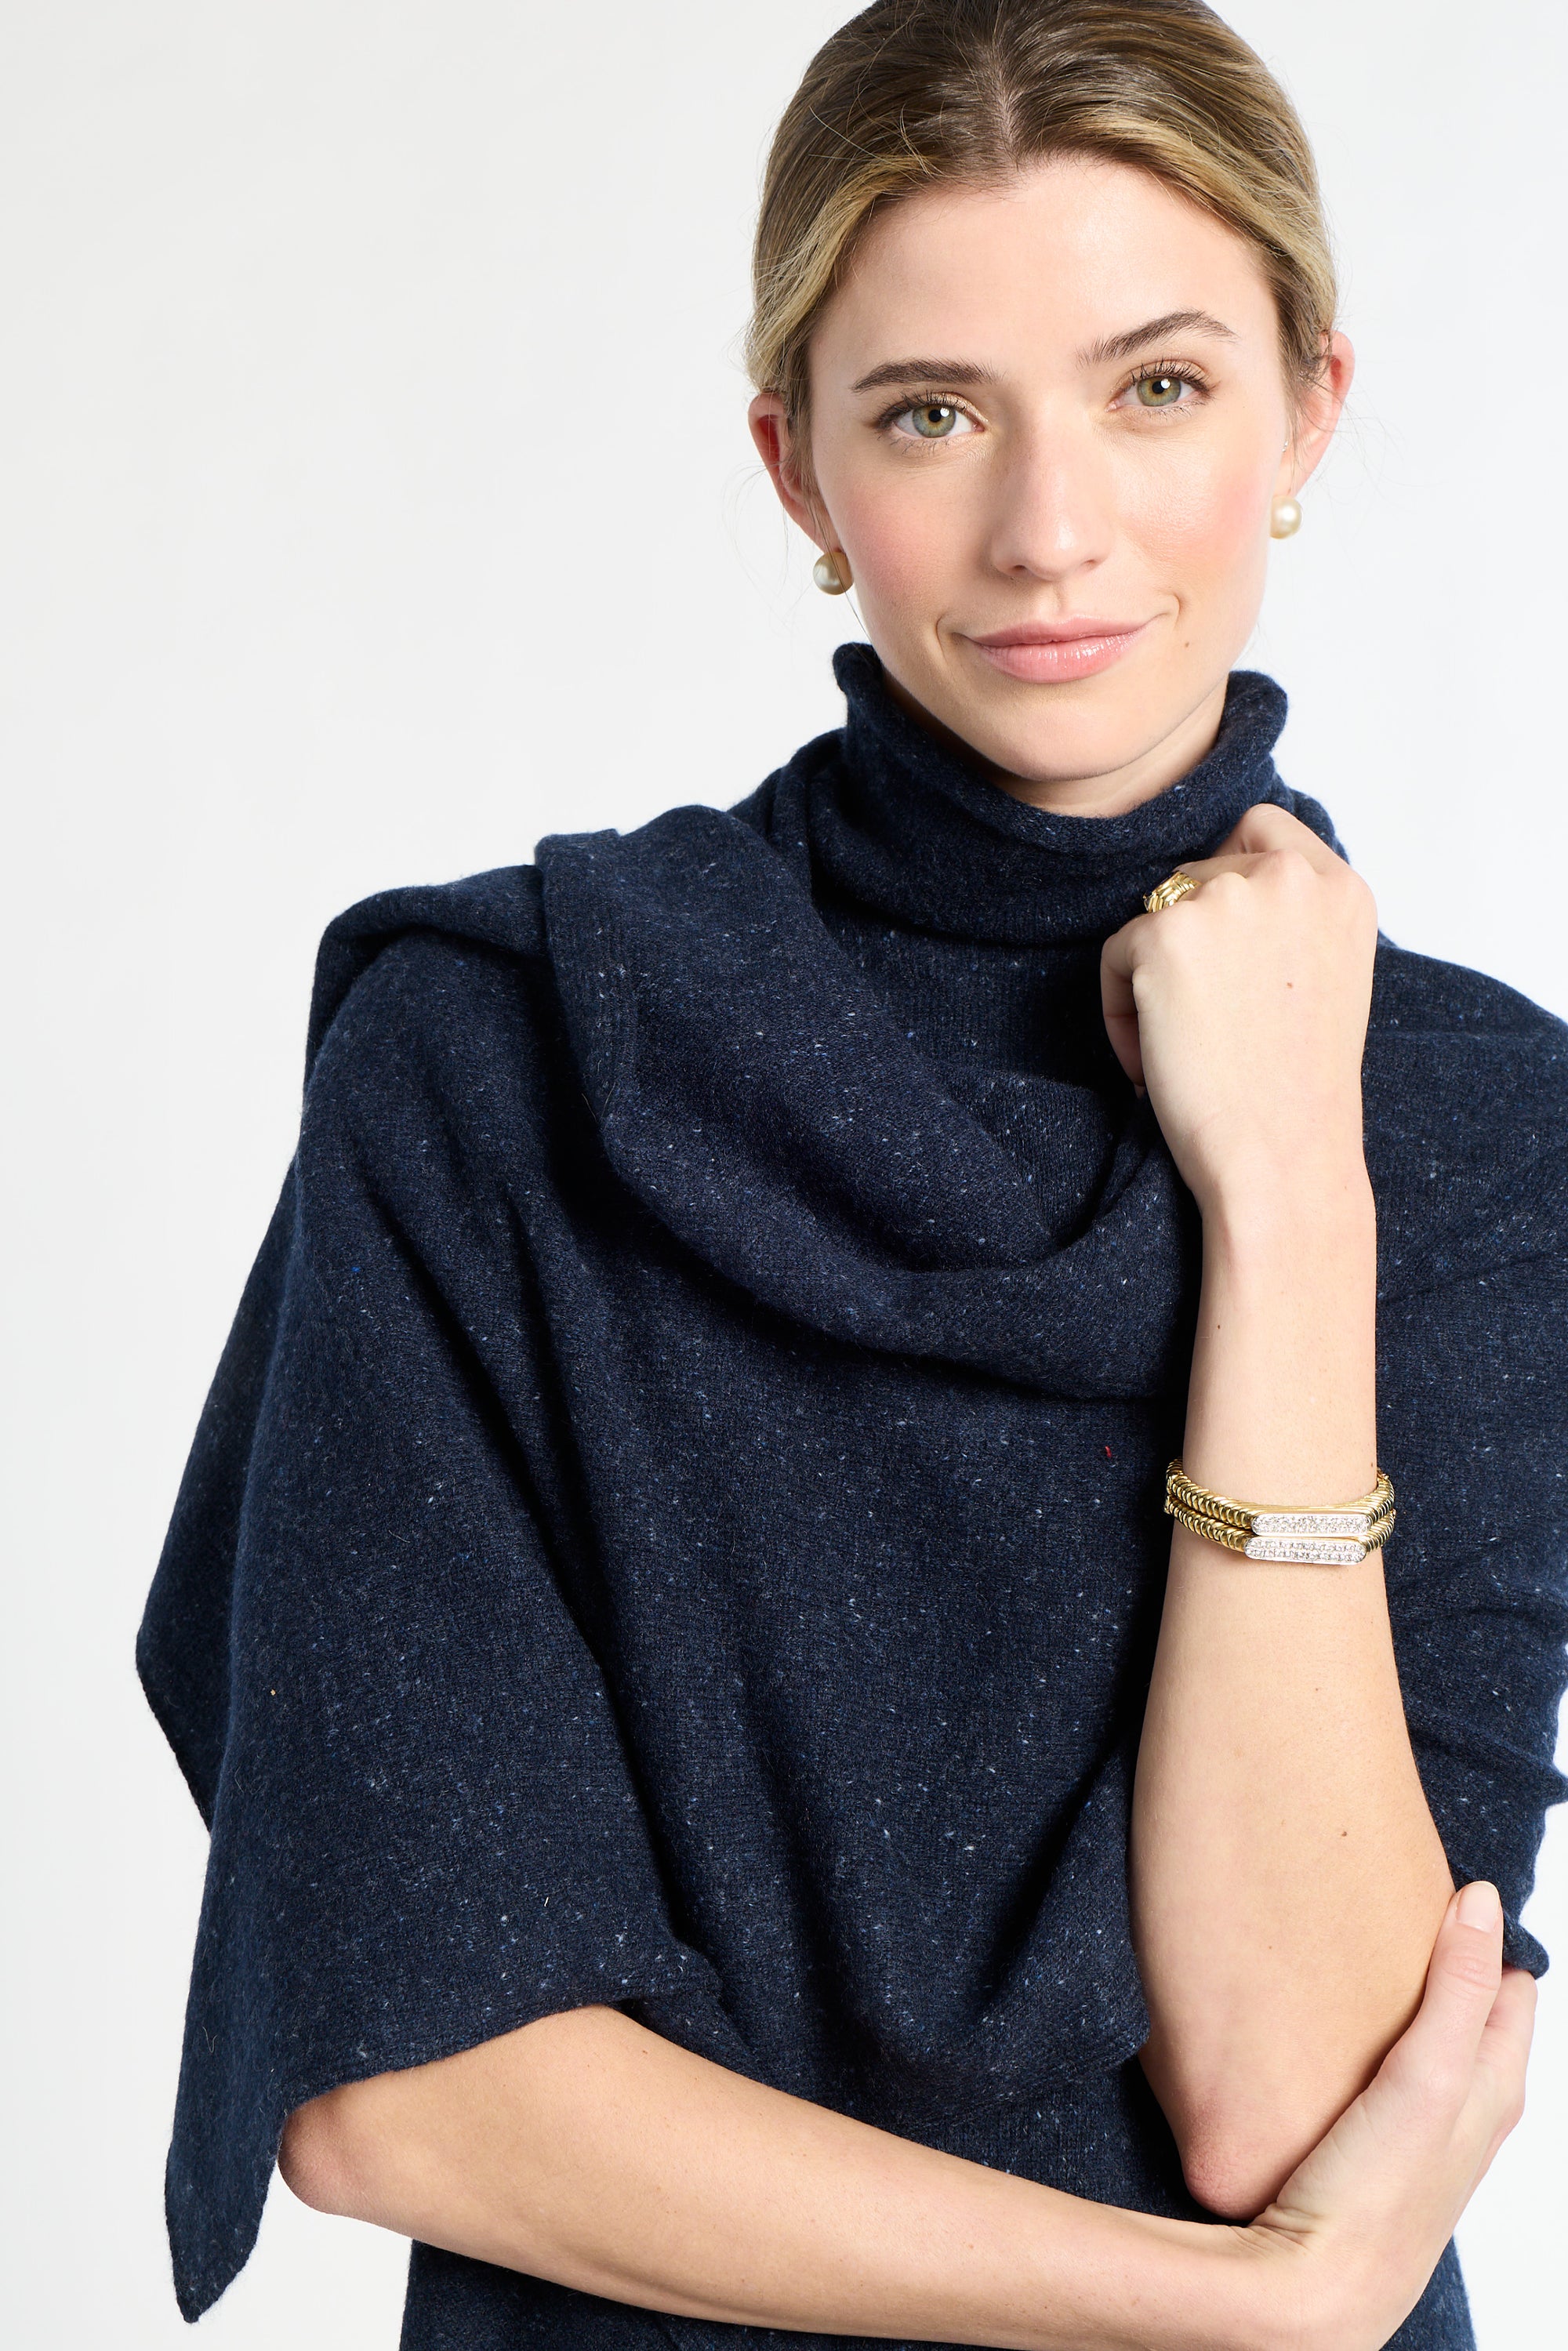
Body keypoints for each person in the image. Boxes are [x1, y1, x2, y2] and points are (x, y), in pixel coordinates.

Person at [139, 4, 1567, 2347]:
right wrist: (1231, 2314)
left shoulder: (1479, 1126)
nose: (1050, 530)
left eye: (1159, 386)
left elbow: (1297, 2092)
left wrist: (1298, 1199)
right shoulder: (497, 1057)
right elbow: (409, 2090)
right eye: (930, 413)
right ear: (793, 460)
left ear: (1310, 409)